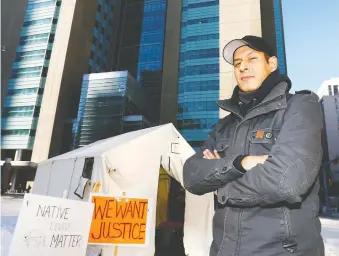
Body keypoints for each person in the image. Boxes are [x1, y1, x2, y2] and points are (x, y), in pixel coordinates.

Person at [183, 35, 324, 256]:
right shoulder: (223, 126)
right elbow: (191, 175)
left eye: (252, 58)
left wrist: (220, 184)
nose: (243, 67)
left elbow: (287, 181)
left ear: (272, 63)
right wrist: (241, 163)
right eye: (237, 63)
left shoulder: (300, 107)